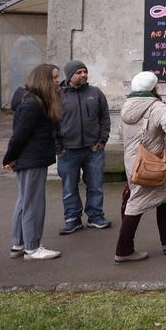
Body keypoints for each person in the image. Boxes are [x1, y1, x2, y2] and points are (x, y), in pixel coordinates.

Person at [115, 71, 166, 263]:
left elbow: (120, 134)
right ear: (153, 88)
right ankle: (123, 250)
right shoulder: (155, 106)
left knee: (164, 198)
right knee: (136, 203)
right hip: (153, 163)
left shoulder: (127, 105)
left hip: (134, 162)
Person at [2, 64, 63, 261]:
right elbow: (19, 135)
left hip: (29, 158)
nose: (57, 81)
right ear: (43, 79)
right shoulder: (32, 104)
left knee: (24, 202)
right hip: (32, 159)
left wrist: (12, 157)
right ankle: (32, 248)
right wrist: (9, 158)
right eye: (54, 78)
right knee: (33, 204)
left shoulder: (31, 100)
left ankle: (18, 245)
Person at [56, 60, 112, 234]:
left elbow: (104, 118)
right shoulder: (57, 96)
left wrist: (102, 140)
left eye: (85, 72)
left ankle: (96, 217)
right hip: (68, 151)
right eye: (79, 72)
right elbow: (51, 123)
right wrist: (58, 147)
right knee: (69, 187)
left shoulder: (95, 93)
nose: (83, 75)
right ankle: (72, 219)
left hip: (93, 150)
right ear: (70, 75)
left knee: (95, 185)